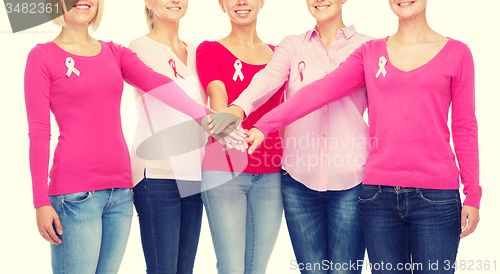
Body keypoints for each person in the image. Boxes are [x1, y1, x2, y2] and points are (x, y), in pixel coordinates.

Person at [245, 0, 481, 273]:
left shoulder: (458, 53)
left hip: (436, 197)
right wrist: (264, 125)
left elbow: (465, 126)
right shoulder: (370, 52)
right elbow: (321, 90)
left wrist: (473, 194)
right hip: (378, 198)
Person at [24, 1, 212, 273]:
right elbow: (39, 132)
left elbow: (157, 83)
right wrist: (40, 201)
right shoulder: (42, 56)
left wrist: (204, 116)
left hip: (121, 194)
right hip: (74, 196)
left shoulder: (115, 53)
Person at [209, 0, 370, 273]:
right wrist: (239, 107)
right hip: (298, 183)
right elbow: (268, 78)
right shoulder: (292, 45)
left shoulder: (368, 48)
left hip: (352, 180)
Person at [195, 0, 285, 273]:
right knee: (232, 267)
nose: (241, 2)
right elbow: (217, 93)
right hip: (224, 172)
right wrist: (227, 123)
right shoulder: (209, 49)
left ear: (261, 3)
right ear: (222, 5)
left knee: (257, 268)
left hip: (271, 172)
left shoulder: (279, 54)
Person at [128, 0, 209, 273]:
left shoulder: (198, 53)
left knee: (184, 269)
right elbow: (173, 95)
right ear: (148, 2)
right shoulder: (139, 48)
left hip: (193, 173)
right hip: (157, 173)